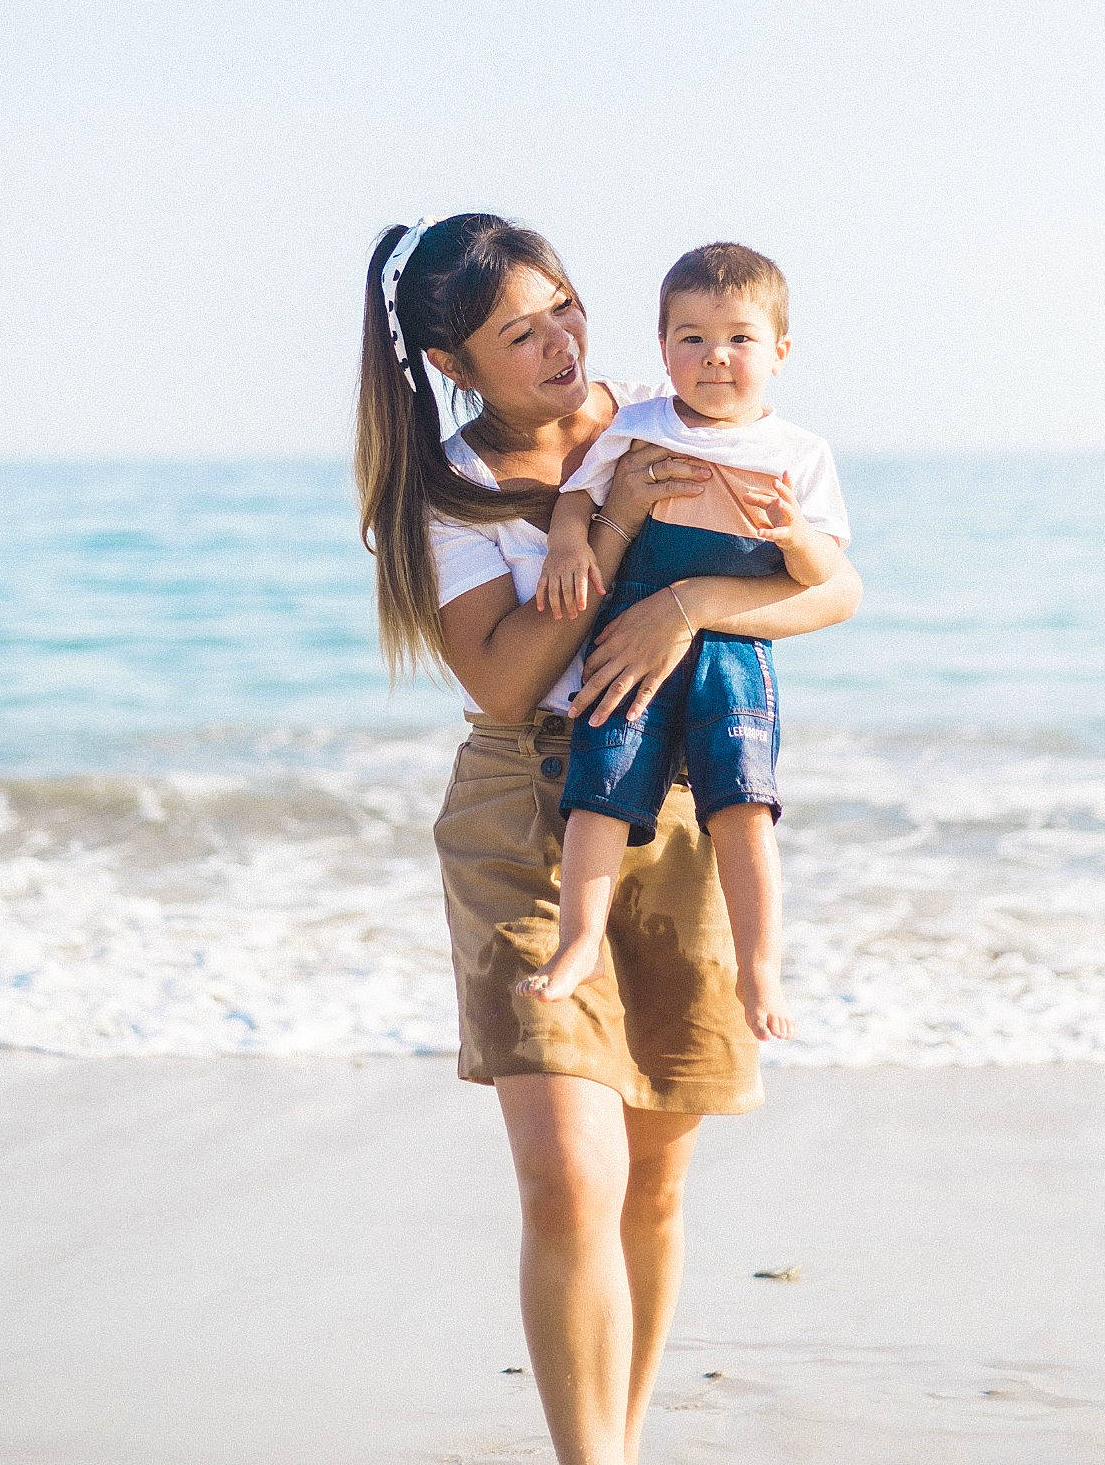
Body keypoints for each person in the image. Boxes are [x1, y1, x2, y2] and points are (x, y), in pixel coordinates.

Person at [354, 213, 862, 1465]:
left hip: (680, 800)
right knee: (570, 1174)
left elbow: (823, 583)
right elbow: (503, 685)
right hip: (529, 814)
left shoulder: (669, 407)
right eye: (520, 334)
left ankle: (621, 1448)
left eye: (567, 306)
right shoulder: (445, 491)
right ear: (457, 365)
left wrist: (688, 604)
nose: (561, 342)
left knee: (654, 1175)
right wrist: (618, 529)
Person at [519, 242, 850, 1039]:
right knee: (600, 790)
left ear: (779, 352)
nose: (714, 357)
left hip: (732, 652)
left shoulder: (799, 455)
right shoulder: (638, 428)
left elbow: (825, 571)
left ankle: (761, 967)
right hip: (631, 632)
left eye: (738, 337)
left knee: (743, 807)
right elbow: (576, 498)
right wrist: (569, 545)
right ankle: (577, 942)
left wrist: (794, 534)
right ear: (663, 348)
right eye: (690, 337)